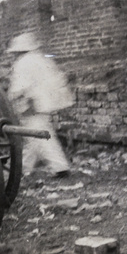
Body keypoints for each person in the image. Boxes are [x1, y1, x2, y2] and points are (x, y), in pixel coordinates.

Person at [7, 32, 74, 178]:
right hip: (44, 103)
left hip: (32, 105)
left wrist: (11, 99)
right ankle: (23, 168)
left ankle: (60, 167)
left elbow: (19, 88)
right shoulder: (41, 59)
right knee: (34, 137)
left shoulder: (22, 63)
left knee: (39, 136)